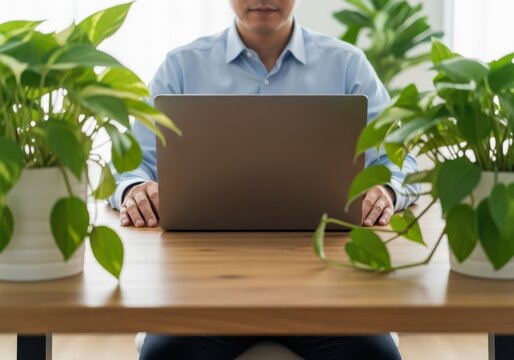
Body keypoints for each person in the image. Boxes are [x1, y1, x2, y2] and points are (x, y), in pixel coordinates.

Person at [109, 1, 420, 359]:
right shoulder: (181, 67)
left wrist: (385, 189)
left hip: (328, 286)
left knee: (374, 357)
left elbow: (401, 158)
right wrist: (135, 188)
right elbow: (131, 162)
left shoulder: (348, 66)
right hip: (201, 287)